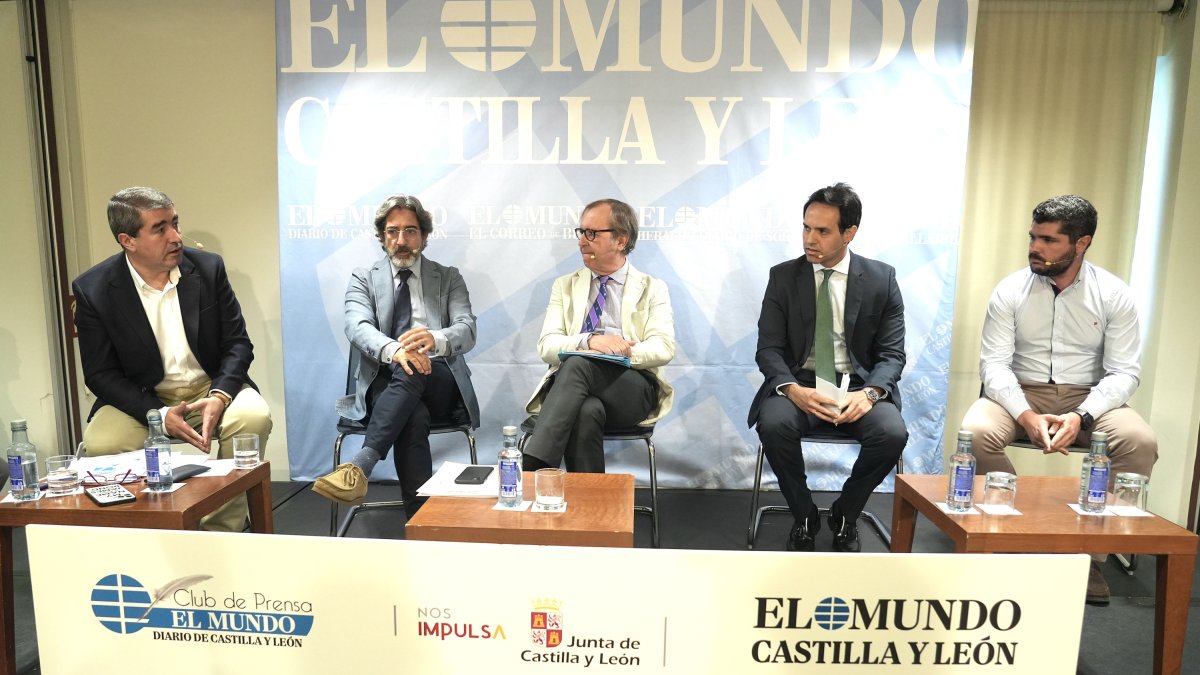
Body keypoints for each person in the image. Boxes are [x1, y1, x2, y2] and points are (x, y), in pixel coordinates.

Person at [961, 194, 1157, 605]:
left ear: (1081, 243)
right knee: (974, 432)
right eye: (1033, 237)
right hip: (1020, 391)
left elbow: (1124, 372)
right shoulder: (1010, 291)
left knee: (1139, 443)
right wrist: (1026, 415)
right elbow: (993, 366)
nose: (1035, 247)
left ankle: (1088, 558)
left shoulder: (1114, 294)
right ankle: (1013, 537)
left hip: (1090, 396)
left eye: (1049, 240)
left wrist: (1082, 417)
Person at [73, 186, 272, 532]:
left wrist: (220, 395)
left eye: (175, 223)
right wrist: (159, 414)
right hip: (142, 395)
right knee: (102, 441)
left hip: (210, 387)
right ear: (127, 240)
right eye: (160, 228)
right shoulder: (94, 289)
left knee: (253, 418)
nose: (176, 237)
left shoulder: (208, 269)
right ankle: (147, 532)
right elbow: (100, 374)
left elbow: (238, 344)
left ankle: (221, 531)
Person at [748, 183, 908, 553]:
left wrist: (869, 395)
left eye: (822, 231)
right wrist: (792, 389)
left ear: (849, 233)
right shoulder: (783, 277)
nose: (810, 239)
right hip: (799, 383)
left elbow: (892, 354)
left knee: (891, 433)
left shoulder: (881, 279)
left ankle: (845, 514)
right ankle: (804, 514)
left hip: (858, 386)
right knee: (773, 423)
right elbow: (768, 349)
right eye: (806, 228)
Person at [313, 194, 479, 515]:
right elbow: (357, 326)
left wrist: (435, 338)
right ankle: (420, 522)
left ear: (424, 236)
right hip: (383, 381)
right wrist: (396, 351)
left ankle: (361, 464)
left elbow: (466, 329)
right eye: (392, 231)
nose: (401, 240)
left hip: (438, 379)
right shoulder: (364, 278)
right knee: (412, 417)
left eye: (410, 231)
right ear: (381, 237)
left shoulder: (447, 277)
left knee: (414, 366)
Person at [522, 198, 675, 473]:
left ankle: (533, 468)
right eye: (581, 232)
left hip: (632, 390)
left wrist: (618, 351)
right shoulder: (565, 286)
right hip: (575, 393)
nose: (582, 240)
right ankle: (590, 507)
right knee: (585, 410)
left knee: (578, 363)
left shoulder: (652, 287)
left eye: (592, 233)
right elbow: (546, 346)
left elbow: (663, 348)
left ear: (621, 240)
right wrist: (591, 341)